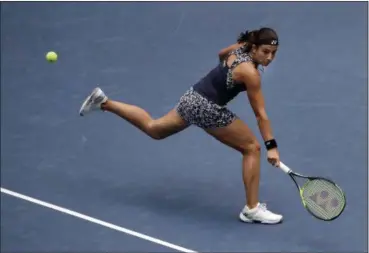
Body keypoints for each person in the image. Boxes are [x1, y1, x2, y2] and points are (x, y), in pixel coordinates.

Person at [79, 27, 283, 224]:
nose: (269, 58)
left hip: (192, 97)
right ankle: (252, 209)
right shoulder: (251, 74)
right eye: (266, 52)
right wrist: (271, 146)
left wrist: (225, 77)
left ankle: (104, 102)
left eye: (273, 53)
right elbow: (261, 114)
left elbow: (221, 54)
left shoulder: (240, 47)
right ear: (255, 48)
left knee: (154, 128)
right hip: (206, 107)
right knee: (252, 148)